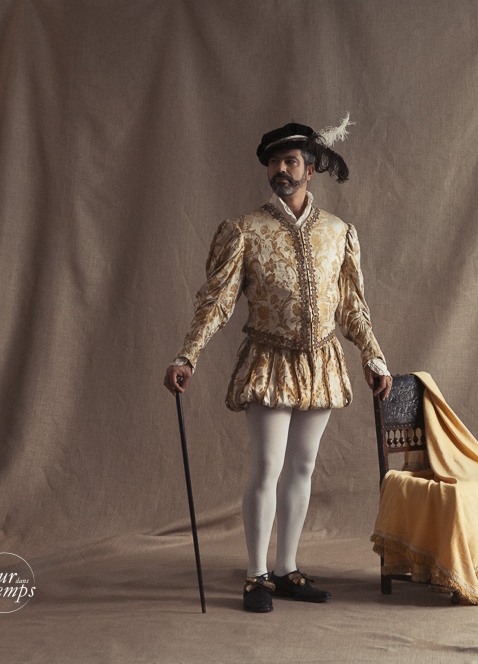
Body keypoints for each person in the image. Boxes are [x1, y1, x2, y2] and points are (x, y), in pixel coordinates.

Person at [163, 118, 392, 613]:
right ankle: (256, 576)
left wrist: (372, 354)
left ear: (310, 168)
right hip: (268, 360)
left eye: (290, 161)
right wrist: (188, 354)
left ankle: (287, 568)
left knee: (303, 467)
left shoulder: (338, 232)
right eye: (274, 162)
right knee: (267, 465)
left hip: (321, 361)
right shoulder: (244, 230)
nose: (280, 170)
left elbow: (351, 306)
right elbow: (216, 302)